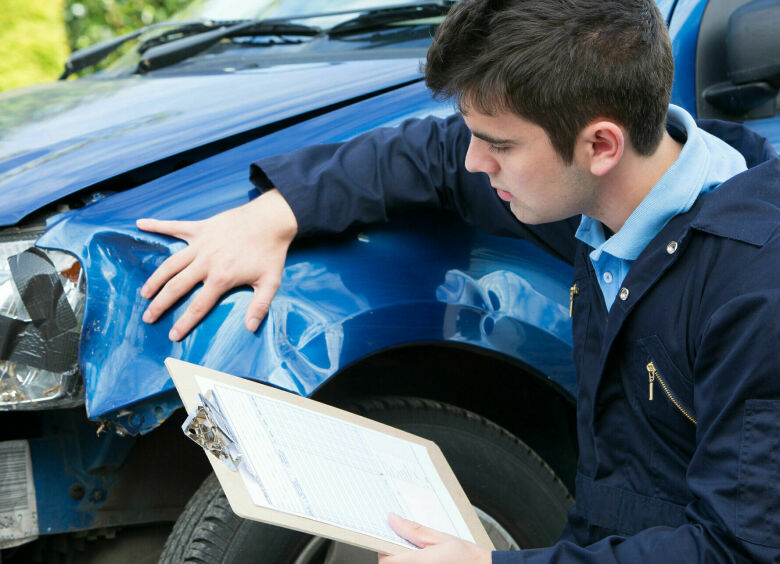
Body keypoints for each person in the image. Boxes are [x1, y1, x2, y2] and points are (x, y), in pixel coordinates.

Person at [137, 0, 780, 561]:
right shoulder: (605, 189)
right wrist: (277, 213)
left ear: (601, 145)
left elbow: (740, 549)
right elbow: (435, 155)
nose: (476, 161)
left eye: (497, 145)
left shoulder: (754, 288)